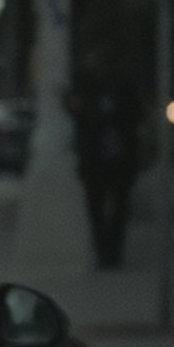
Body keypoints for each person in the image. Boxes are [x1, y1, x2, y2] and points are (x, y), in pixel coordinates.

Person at [70, 53, 144, 268]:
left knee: (118, 207)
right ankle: (104, 253)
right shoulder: (86, 87)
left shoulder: (121, 87)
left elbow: (135, 115)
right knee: (98, 209)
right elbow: (78, 117)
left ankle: (113, 252)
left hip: (118, 158)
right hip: (95, 160)